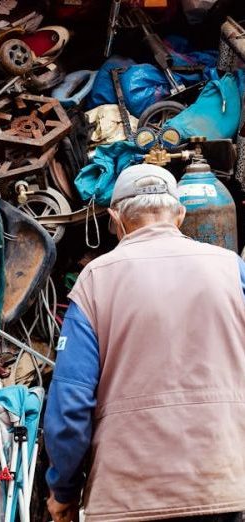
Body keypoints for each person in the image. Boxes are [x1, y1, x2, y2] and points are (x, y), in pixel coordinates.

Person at [44, 164, 245, 522]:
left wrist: (64, 491)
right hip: (223, 485)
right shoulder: (232, 268)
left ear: (115, 218)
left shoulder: (96, 280)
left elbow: (71, 404)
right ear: (180, 215)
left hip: (128, 495)